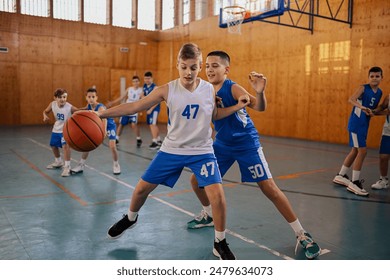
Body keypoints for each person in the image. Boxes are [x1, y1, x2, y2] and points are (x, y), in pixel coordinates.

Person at [98, 43, 250, 260]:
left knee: (218, 197)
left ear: (199, 66)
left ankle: (220, 241)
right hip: (172, 150)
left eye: (194, 67)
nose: (189, 72)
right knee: (141, 190)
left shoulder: (209, 89)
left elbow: (214, 115)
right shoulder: (166, 89)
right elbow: (134, 107)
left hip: (202, 150)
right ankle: (131, 218)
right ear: (177, 65)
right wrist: (102, 115)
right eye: (184, 67)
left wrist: (236, 107)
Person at [186, 50, 321, 260]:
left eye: (215, 65)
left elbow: (259, 106)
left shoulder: (232, 87)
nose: (210, 69)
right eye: (208, 66)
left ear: (226, 69)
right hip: (222, 144)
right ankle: (208, 214)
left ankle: (301, 233)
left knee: (269, 188)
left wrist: (259, 92)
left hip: (246, 144)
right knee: (196, 180)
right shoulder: (204, 89)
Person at [333, 66, 383, 196]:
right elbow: (351, 99)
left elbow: (373, 108)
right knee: (362, 151)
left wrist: (373, 112)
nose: (374, 78)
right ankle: (355, 183)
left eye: (377, 76)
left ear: (381, 78)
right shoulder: (363, 88)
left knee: (355, 150)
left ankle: (341, 175)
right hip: (356, 124)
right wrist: (362, 107)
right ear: (368, 77)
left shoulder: (380, 92)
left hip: (364, 125)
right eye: (372, 76)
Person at [71, 88, 121, 175]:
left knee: (112, 146)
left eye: (93, 97)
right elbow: (84, 109)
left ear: (96, 98)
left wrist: (104, 130)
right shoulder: (89, 105)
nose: (91, 98)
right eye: (89, 97)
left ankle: (116, 164)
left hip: (109, 125)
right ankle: (81, 165)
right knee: (88, 144)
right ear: (86, 97)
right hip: (97, 125)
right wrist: (76, 111)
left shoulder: (100, 107)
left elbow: (104, 118)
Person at [43, 88, 78, 177]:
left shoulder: (70, 107)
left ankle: (67, 167)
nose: (62, 99)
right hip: (56, 129)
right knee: (53, 145)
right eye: (60, 97)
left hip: (66, 130)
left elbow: (79, 112)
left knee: (65, 147)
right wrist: (45, 116)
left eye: (64, 97)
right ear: (55, 98)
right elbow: (45, 111)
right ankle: (58, 161)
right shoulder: (52, 104)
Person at [108, 76, 144, 147]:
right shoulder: (129, 89)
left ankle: (138, 138)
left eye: (137, 81)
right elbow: (122, 97)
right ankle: (117, 138)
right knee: (121, 124)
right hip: (127, 108)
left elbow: (143, 99)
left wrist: (142, 108)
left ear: (139, 82)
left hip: (135, 108)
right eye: (134, 81)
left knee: (133, 124)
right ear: (132, 82)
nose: (135, 83)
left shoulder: (141, 90)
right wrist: (112, 102)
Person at [371, 94, 390, 190]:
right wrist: (374, 111)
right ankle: (383, 180)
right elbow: (382, 106)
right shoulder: (389, 97)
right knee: (383, 157)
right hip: (388, 132)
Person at [143, 71, 162, 149]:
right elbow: (143, 96)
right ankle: (159, 140)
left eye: (148, 78)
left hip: (154, 108)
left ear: (152, 79)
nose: (147, 80)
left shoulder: (155, 87)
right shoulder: (144, 86)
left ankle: (155, 142)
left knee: (152, 124)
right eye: (146, 78)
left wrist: (151, 109)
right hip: (149, 108)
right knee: (152, 124)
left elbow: (158, 100)